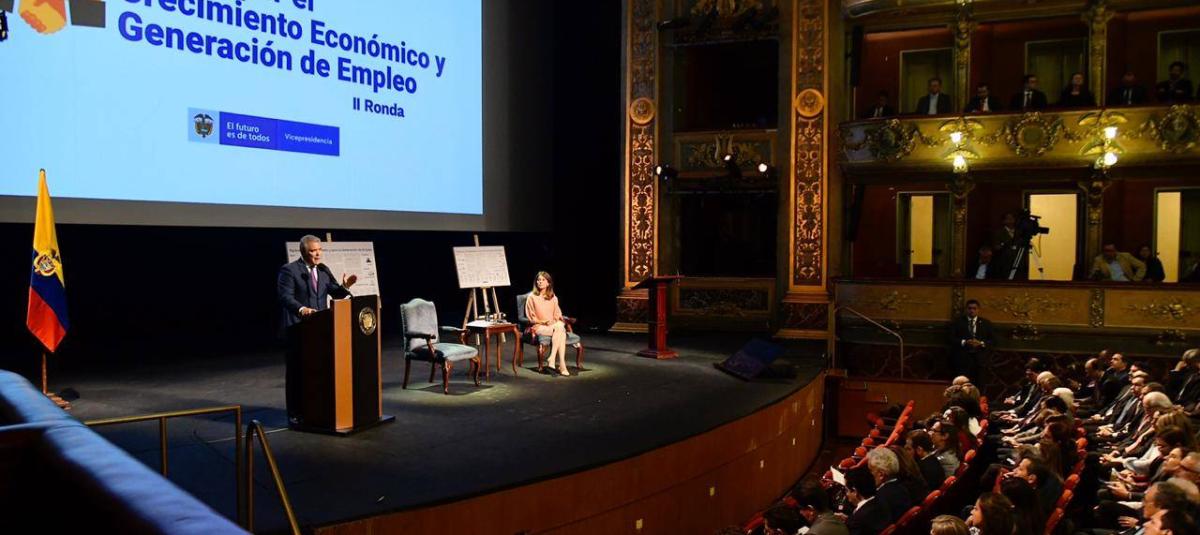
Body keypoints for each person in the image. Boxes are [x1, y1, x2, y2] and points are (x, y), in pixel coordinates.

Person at [277, 235, 357, 425]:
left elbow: (335, 293)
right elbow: (285, 296)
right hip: (297, 328)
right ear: (303, 251)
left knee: (318, 369)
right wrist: (301, 309)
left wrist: (345, 286)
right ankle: (295, 412)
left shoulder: (323, 270)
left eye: (320, 250)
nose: (318, 254)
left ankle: (316, 408)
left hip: (320, 329)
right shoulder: (289, 270)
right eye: (313, 250)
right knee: (297, 372)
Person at [525, 271, 571, 376]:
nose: (540, 282)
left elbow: (558, 314)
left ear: (548, 283)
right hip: (538, 326)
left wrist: (553, 321)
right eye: (538, 280)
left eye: (543, 280)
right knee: (561, 331)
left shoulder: (553, 297)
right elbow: (531, 317)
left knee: (559, 327)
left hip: (552, 326)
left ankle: (554, 359)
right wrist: (542, 322)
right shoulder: (531, 297)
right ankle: (561, 365)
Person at [947, 299, 995, 383]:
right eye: (969, 308)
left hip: (980, 360)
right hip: (962, 360)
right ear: (966, 309)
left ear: (978, 309)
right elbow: (950, 338)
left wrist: (981, 343)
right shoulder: (957, 322)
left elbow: (993, 340)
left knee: (979, 382)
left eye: (974, 308)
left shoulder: (986, 323)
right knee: (962, 384)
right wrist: (964, 342)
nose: (972, 310)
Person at [845, 467, 891, 535]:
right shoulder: (884, 500)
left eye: (846, 490)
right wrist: (849, 519)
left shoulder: (855, 522)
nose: (846, 494)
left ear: (855, 492)